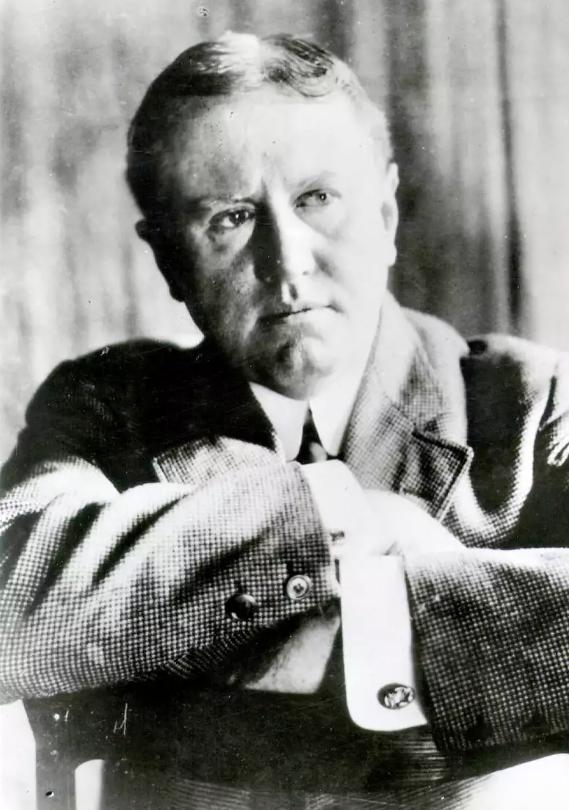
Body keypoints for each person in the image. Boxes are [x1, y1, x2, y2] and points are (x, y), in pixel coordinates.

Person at [2, 31, 569, 810]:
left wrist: (315, 615)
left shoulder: (533, 404)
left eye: (316, 200)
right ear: (167, 258)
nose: (287, 260)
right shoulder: (108, 407)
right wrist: (334, 516)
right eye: (230, 218)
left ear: (385, 214)